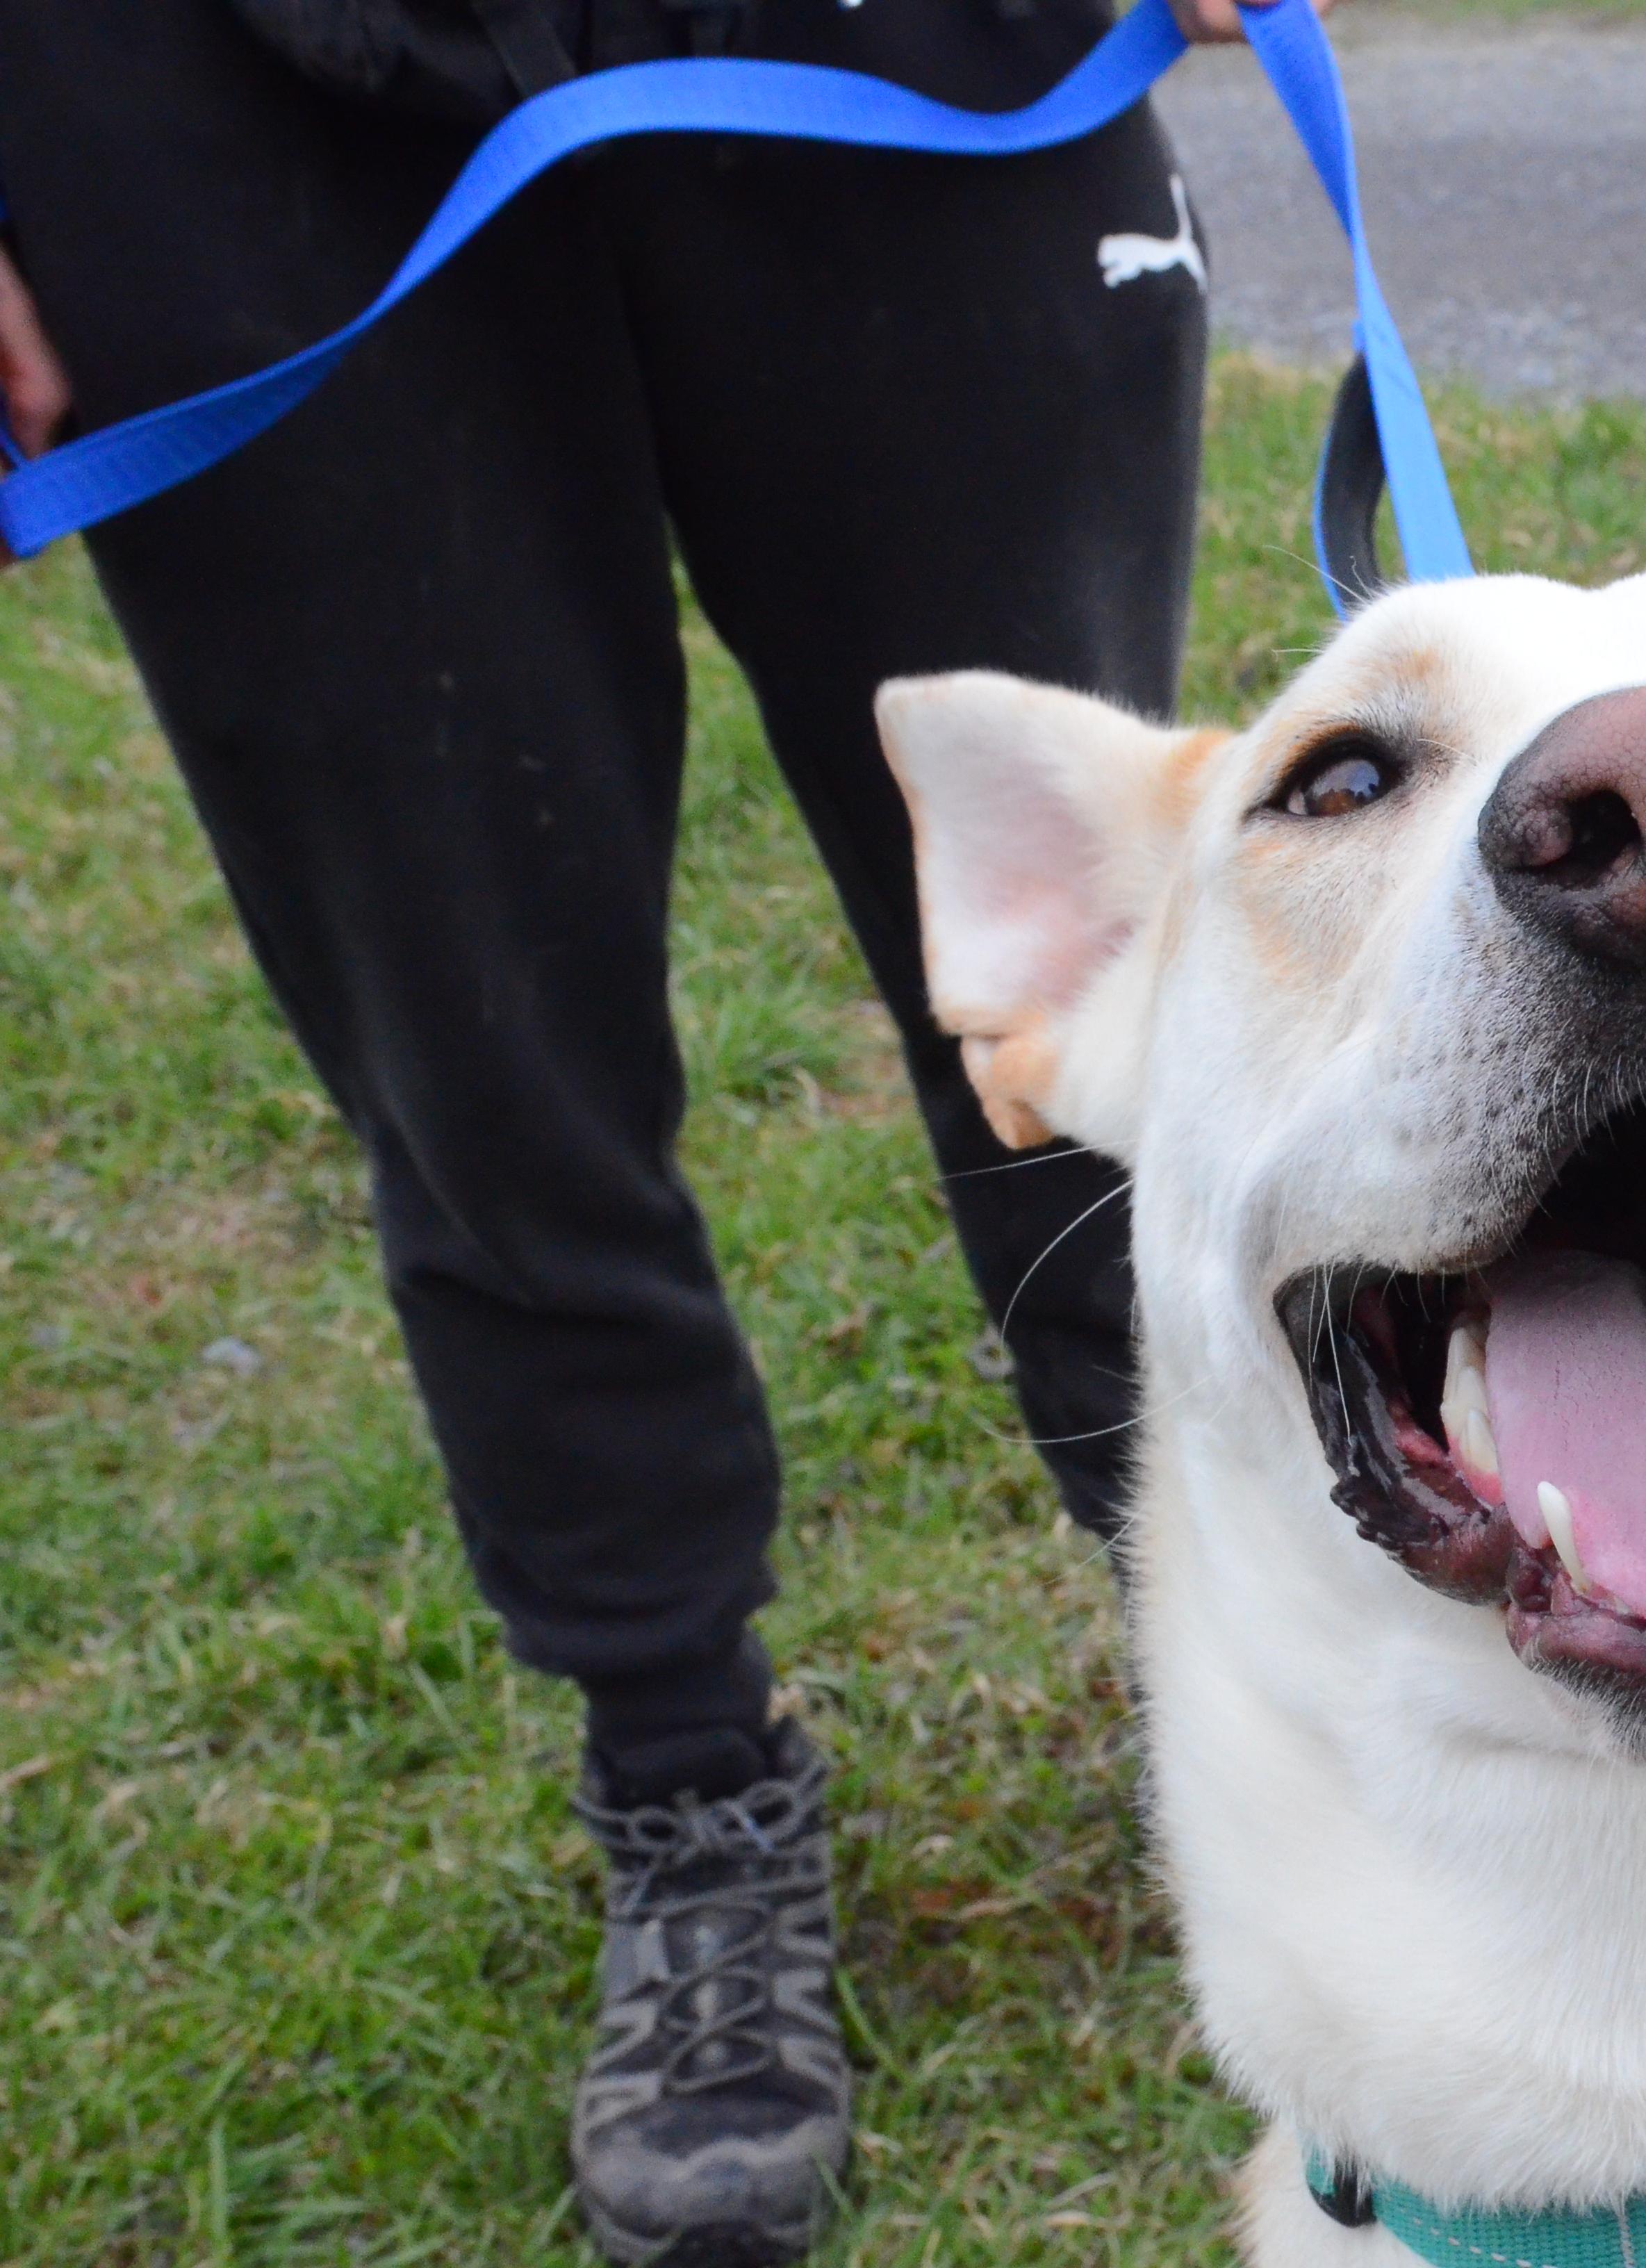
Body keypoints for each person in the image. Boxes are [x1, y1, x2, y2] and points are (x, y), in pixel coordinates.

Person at [0, 0, 1326, 2257]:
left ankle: (1297, 1676)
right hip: (193, 98)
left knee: (1101, 987)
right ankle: (690, 1783)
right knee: (480, 1058)